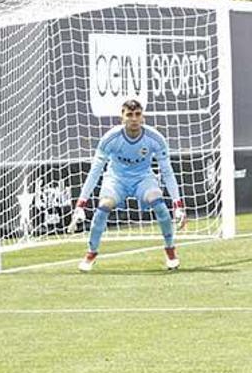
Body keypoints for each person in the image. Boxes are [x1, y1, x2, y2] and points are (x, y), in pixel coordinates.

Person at [68, 99, 187, 271]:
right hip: (116, 179)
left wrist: (177, 204)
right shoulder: (110, 139)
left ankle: (170, 250)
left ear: (143, 117)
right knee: (104, 206)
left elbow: (167, 171)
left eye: (137, 114)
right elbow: (95, 171)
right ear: (122, 117)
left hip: (143, 179)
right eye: (129, 115)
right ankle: (91, 253)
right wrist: (81, 204)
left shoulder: (155, 139)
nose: (134, 119)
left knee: (158, 203)